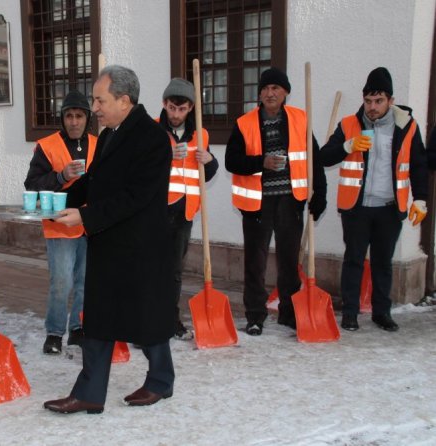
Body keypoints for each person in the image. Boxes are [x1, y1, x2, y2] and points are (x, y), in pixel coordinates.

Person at [44, 65, 175, 414]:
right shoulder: (108, 135)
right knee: (99, 318)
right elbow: (95, 183)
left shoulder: (153, 138)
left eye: (100, 100)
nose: (94, 108)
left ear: (124, 99)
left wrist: (85, 217)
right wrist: (56, 201)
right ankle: (89, 392)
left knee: (146, 317)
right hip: (108, 240)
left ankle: (161, 381)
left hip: (140, 246)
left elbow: (137, 196)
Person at [320, 67, 428, 332]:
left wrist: (421, 199)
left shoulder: (407, 126)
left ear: (390, 100)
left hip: (390, 208)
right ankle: (350, 313)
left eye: (378, 101)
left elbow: (418, 165)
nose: (372, 107)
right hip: (356, 208)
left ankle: (382, 313)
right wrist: (348, 146)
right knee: (354, 260)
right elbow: (324, 156)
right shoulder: (349, 124)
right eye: (368, 101)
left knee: (383, 262)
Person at [225, 67, 327, 336]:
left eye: (276, 89)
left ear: (286, 94)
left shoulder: (300, 120)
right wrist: (262, 162)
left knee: (288, 261)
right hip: (257, 205)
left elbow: (313, 158)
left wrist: (321, 192)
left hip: (290, 201)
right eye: (265, 89)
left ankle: (289, 313)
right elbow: (231, 161)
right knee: (255, 262)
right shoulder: (244, 123)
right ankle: (255, 316)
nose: (270, 93)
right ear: (259, 93)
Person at [24, 89, 97, 354]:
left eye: (79, 116)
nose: (74, 121)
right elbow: (31, 186)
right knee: (61, 281)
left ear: (87, 118)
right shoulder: (46, 146)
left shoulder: (99, 144)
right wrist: (60, 176)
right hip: (60, 225)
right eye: (69, 116)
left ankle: (78, 328)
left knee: (86, 281)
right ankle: (54, 333)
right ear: (62, 119)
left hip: (90, 224)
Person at [158, 78, 218, 340]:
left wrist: (210, 160)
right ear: (164, 104)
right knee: (152, 267)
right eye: (172, 107)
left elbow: (208, 172)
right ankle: (148, 321)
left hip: (185, 211)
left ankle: (171, 320)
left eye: (181, 109)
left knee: (174, 270)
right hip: (158, 211)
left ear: (191, 108)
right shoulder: (153, 130)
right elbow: (141, 169)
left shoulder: (201, 133)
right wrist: (166, 158)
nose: (175, 114)